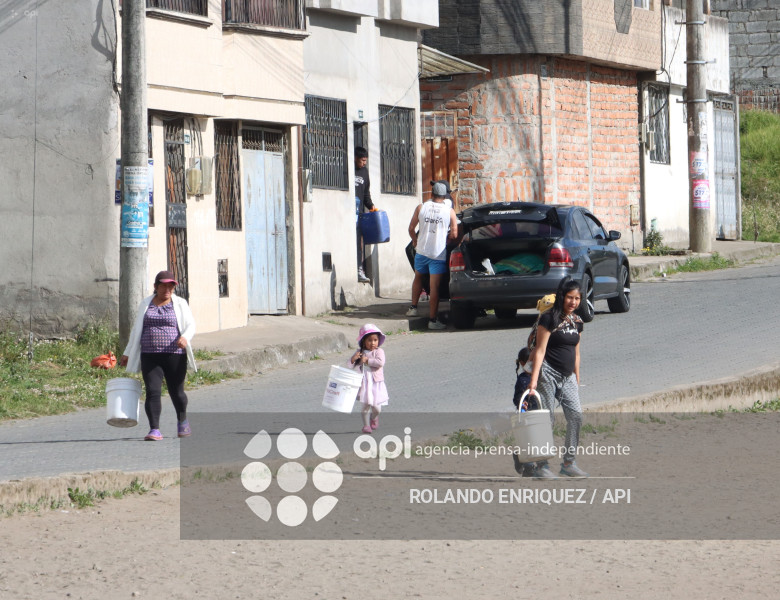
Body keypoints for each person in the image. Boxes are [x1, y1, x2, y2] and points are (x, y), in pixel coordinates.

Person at [120, 270, 197, 441]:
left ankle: (182, 420)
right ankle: (154, 429)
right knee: (153, 391)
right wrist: (127, 353)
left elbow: (191, 325)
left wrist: (185, 337)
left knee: (177, 392)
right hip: (149, 355)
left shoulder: (180, 303)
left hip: (175, 355)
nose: (167, 290)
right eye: (163, 286)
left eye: (171, 286)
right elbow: (136, 330)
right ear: (155, 286)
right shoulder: (146, 303)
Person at [527, 276, 588, 478]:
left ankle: (569, 463)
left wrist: (577, 377)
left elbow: (576, 353)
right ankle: (541, 466)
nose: (573, 302)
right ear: (562, 297)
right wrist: (533, 381)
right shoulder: (548, 318)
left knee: (576, 416)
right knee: (547, 419)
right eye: (570, 297)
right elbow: (539, 350)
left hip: (567, 376)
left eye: (577, 298)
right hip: (547, 372)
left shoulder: (577, 322)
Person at [406, 182, 458, 330]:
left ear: (431, 194)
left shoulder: (421, 207)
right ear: (445, 196)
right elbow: (454, 234)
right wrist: (446, 237)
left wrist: (415, 241)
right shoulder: (450, 211)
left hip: (421, 251)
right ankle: (432, 320)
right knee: (434, 286)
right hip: (437, 253)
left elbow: (411, 228)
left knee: (418, 277)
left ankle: (413, 308)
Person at [348, 324, 389, 434]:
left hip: (376, 382)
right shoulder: (360, 352)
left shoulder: (379, 351)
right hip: (365, 383)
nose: (373, 343)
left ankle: (374, 417)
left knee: (377, 408)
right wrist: (353, 359)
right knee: (366, 405)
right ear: (363, 341)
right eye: (369, 340)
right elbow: (350, 365)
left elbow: (380, 362)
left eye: (375, 340)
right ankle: (366, 426)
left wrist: (367, 361)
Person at [354, 146, 375, 283]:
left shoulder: (365, 172)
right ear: (355, 158)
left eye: (366, 160)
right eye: (362, 160)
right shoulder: (349, 169)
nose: (364, 163)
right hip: (347, 212)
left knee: (359, 242)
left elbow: (366, 194)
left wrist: (372, 207)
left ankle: (359, 269)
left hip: (359, 213)